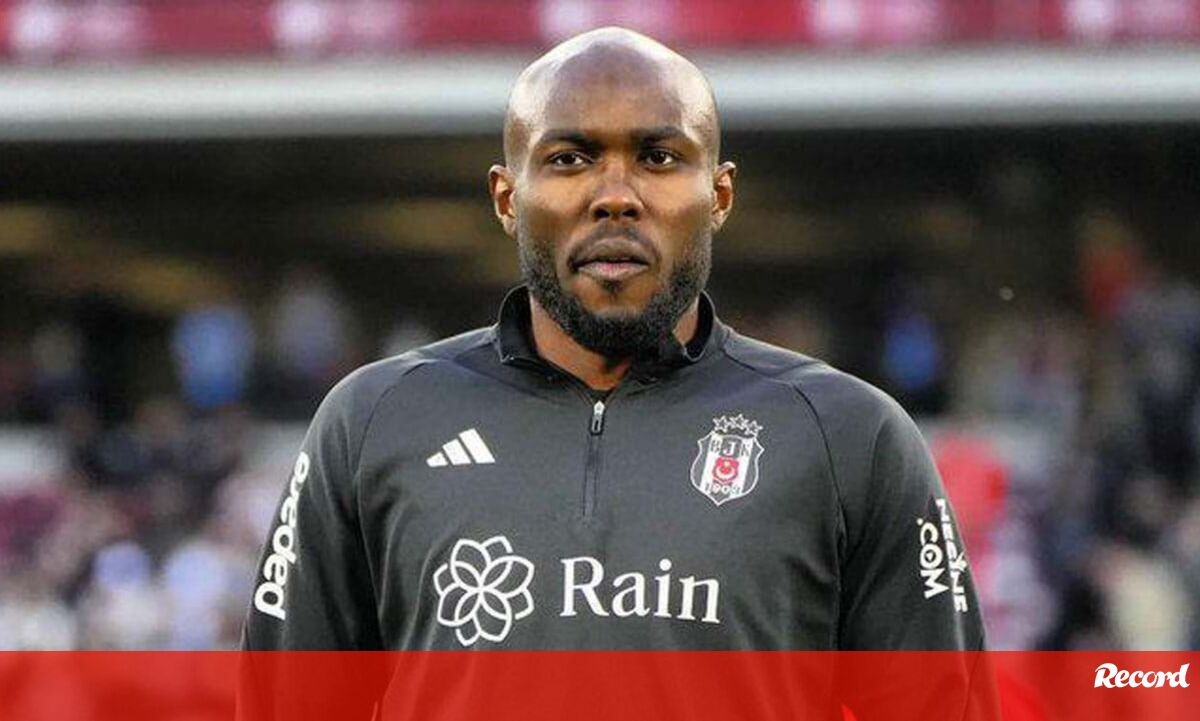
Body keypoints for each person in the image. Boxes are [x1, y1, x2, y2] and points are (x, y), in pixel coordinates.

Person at [241, 25, 988, 717]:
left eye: (659, 157)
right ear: (507, 197)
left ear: (719, 195)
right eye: (569, 158)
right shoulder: (375, 421)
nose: (616, 197)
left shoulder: (849, 436)